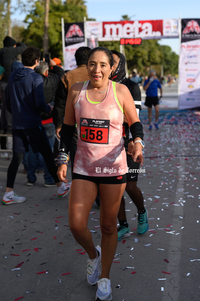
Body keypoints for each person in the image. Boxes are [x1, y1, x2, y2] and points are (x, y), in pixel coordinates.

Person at [56, 47, 144, 301]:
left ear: (111, 67)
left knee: (108, 225)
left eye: (103, 65)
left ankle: (104, 276)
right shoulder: (76, 91)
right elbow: (68, 128)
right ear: (87, 66)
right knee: (76, 224)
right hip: (84, 167)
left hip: (113, 167)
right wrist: (62, 159)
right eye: (92, 64)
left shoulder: (121, 91)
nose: (97, 70)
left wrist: (137, 141)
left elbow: (134, 122)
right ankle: (94, 256)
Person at [2, 47, 70, 205]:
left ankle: (8, 193)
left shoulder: (12, 76)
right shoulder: (36, 78)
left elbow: (8, 103)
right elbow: (40, 103)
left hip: (18, 123)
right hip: (32, 123)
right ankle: (61, 187)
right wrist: (49, 109)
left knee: (17, 158)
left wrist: (16, 114)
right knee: (47, 154)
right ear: (36, 61)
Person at [111, 50, 148, 240]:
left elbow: (135, 119)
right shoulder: (100, 86)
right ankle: (123, 224)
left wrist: (135, 141)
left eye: (113, 61)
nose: (109, 65)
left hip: (129, 142)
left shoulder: (131, 86)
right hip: (108, 146)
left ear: (121, 64)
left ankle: (142, 212)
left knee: (130, 186)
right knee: (115, 188)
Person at [26, 59, 65, 187]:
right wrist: (54, 65)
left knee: (32, 149)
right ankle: (48, 178)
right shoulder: (51, 81)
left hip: (33, 120)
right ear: (46, 72)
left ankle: (30, 178)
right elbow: (61, 74)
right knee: (48, 151)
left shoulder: (29, 81)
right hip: (48, 120)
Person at [53, 46, 91, 173]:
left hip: (74, 124)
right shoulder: (97, 75)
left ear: (76, 60)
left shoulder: (67, 76)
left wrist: (58, 124)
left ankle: (80, 187)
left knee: (77, 161)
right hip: (97, 124)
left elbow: (60, 103)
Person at [0, 36, 26, 151]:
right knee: (9, 105)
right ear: (12, 45)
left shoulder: (2, 51)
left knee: (4, 105)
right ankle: (9, 127)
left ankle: (3, 127)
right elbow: (23, 48)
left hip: (2, 82)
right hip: (9, 82)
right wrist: (17, 44)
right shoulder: (8, 50)